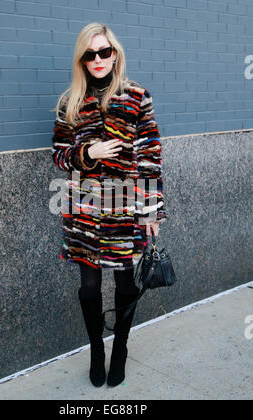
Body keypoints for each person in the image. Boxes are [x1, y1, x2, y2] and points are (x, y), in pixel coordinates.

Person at [51, 23, 167, 387]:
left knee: (126, 285)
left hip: (125, 207)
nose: (98, 59)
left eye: (105, 52)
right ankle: (96, 350)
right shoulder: (70, 102)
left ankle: (120, 348)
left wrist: (151, 209)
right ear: (82, 60)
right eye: (90, 54)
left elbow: (150, 155)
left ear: (114, 53)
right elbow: (58, 155)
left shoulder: (136, 96)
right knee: (89, 288)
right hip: (84, 208)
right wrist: (88, 152)